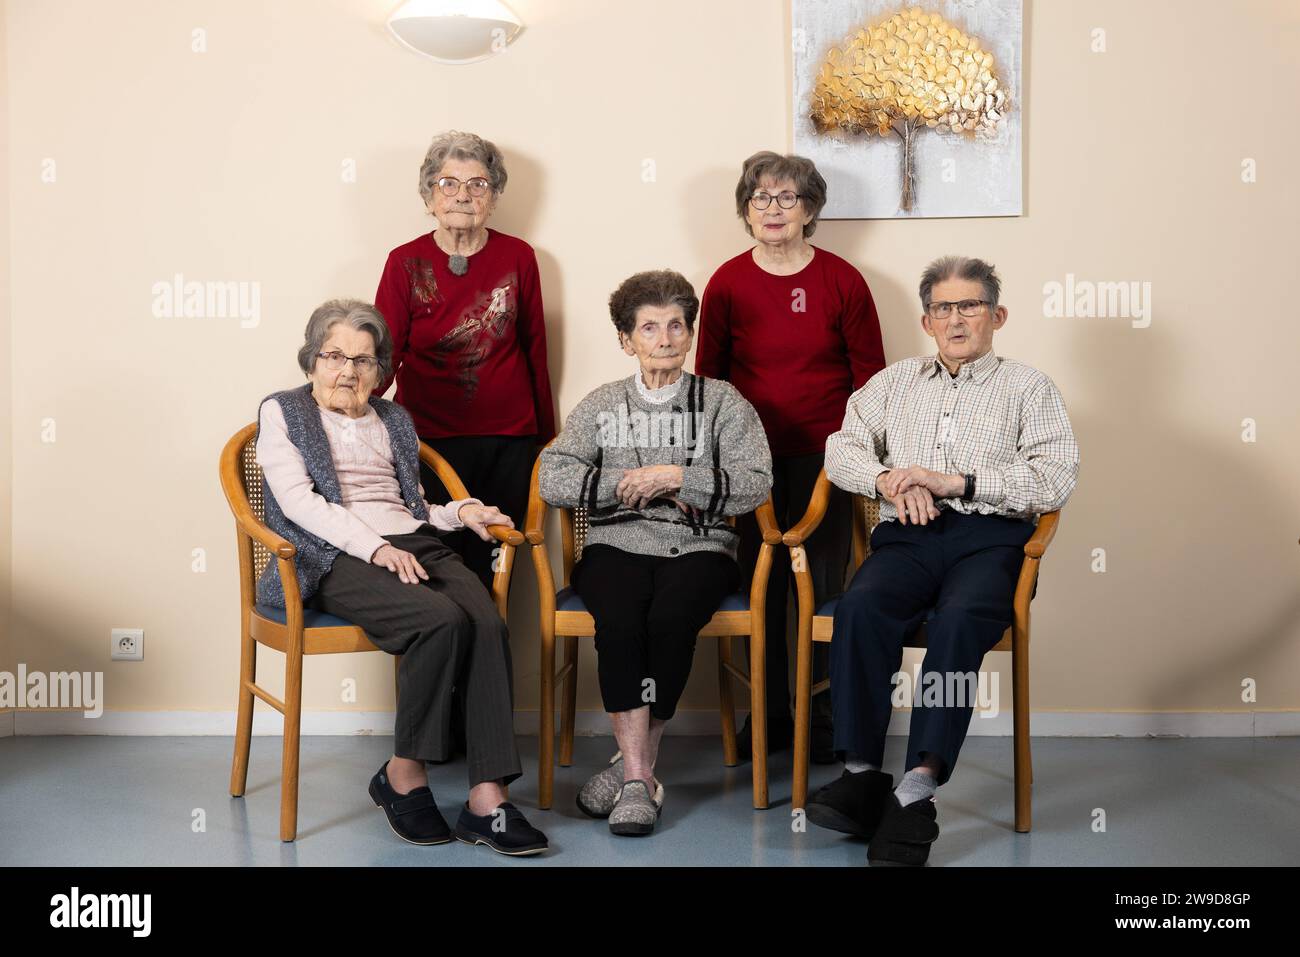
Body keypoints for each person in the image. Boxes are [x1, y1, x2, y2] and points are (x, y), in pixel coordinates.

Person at [807, 256, 1079, 866]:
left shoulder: (1029, 387)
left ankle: (916, 789)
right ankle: (861, 773)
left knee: (958, 623)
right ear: (927, 320)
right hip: (907, 535)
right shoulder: (892, 384)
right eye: (943, 309)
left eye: (970, 306)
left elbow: (1054, 477)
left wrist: (955, 481)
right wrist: (885, 480)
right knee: (862, 607)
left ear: (997, 315)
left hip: (992, 541)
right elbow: (840, 448)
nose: (956, 320)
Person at [255, 298, 548, 855]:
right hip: (333, 555)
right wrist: (374, 548)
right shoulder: (283, 411)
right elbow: (297, 503)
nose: (348, 371)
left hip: (412, 544)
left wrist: (463, 512)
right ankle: (402, 776)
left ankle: (487, 800)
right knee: (439, 621)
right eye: (335, 356)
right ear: (311, 360)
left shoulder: (393, 418)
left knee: (485, 619)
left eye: (363, 361)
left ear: (380, 370)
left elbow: (411, 509)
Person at [538, 270, 773, 836]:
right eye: (649, 328)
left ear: (689, 334)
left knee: (669, 619)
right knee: (620, 621)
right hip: (615, 542)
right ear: (627, 340)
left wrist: (677, 476)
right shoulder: (602, 402)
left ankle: (632, 771)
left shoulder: (722, 402)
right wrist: (629, 479)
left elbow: (755, 480)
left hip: (701, 545)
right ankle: (643, 777)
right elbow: (553, 475)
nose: (664, 338)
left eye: (675, 325)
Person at [696, 150, 886, 763]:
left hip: (827, 459)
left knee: (822, 585)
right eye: (760, 199)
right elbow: (710, 381)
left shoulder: (843, 280)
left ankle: (824, 713)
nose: (773, 210)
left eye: (787, 199)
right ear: (746, 210)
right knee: (763, 583)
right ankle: (770, 715)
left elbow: (871, 381)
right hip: (750, 461)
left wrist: (857, 456)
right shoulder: (727, 281)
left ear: (810, 210)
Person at [373, 129, 555, 590]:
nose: (462, 195)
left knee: (496, 568)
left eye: (478, 184)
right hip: (428, 442)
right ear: (428, 195)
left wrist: (544, 439)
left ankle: (491, 658)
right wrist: (352, 422)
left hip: (508, 439)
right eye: (447, 183)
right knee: (437, 565)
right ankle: (449, 658)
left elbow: (535, 346)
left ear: (493, 197)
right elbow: (383, 354)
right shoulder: (404, 262)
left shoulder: (519, 257)